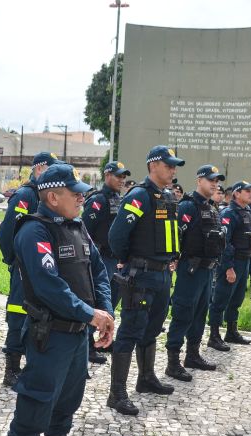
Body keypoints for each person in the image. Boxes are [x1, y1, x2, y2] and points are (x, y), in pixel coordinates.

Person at [3, 163, 114, 436]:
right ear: (52, 196)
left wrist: (105, 312)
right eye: (74, 192)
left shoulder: (76, 226)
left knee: (69, 397)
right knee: (35, 403)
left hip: (78, 335)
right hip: (48, 335)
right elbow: (50, 286)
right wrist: (91, 314)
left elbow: (98, 270)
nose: (82, 196)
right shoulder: (34, 231)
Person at [106, 145, 183, 416]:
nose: (173, 170)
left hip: (162, 274)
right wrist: (129, 261)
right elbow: (117, 236)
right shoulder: (139, 196)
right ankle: (116, 393)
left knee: (152, 328)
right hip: (141, 275)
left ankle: (146, 378)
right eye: (169, 165)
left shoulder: (166, 196)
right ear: (153, 166)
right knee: (130, 331)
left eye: (175, 166)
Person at [0, 152, 63, 387]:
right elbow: (6, 234)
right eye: (50, 169)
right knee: (18, 314)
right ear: (38, 169)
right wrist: (13, 261)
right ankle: (11, 369)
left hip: (43, 266)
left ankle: (31, 363)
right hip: (23, 268)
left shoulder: (48, 195)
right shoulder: (26, 195)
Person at [165, 165, 225, 381]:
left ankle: (192, 355)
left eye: (217, 180)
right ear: (199, 180)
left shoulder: (212, 208)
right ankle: (173, 362)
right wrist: (173, 259)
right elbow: (175, 236)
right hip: (190, 269)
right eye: (210, 179)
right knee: (183, 312)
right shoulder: (188, 207)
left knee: (200, 313)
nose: (214, 183)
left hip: (207, 271)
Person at [81, 160, 129, 363]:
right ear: (107, 175)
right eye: (118, 176)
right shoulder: (97, 200)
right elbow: (84, 231)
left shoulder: (120, 199)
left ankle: (103, 339)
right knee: (95, 300)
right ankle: (87, 345)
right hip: (98, 258)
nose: (122, 180)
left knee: (110, 302)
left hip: (114, 259)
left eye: (123, 177)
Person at [206, 182, 251, 351]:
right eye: (247, 191)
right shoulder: (229, 213)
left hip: (245, 260)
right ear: (236, 193)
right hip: (232, 261)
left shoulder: (247, 211)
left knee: (237, 298)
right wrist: (228, 267)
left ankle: (231, 331)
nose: (250, 193)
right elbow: (224, 242)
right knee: (221, 298)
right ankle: (214, 335)